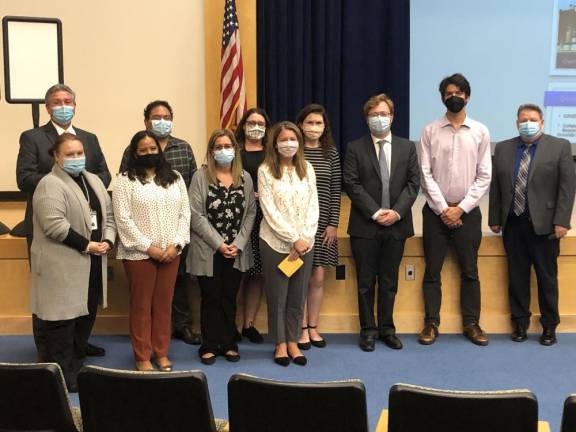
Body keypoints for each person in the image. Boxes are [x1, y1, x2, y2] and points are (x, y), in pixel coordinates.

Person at [17, 83, 111, 358]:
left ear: (75, 105)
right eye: (57, 102)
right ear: (48, 107)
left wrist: (87, 185)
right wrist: (63, 185)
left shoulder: (89, 138)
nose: (63, 106)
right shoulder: (32, 137)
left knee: (87, 289)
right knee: (52, 294)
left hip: (89, 227)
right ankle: (48, 349)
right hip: (51, 226)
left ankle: (79, 343)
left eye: (68, 100)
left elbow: (103, 173)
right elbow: (24, 178)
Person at [30, 133, 115, 392]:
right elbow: (55, 226)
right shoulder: (49, 184)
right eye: (69, 154)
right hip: (62, 264)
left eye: (80, 153)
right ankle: (62, 374)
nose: (77, 158)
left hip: (91, 262)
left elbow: (108, 214)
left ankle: (77, 359)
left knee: (86, 313)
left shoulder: (93, 180)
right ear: (56, 157)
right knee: (62, 323)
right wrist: (88, 245)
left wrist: (108, 241)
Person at [489, 104, 576, 346]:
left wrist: (561, 221)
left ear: (542, 122)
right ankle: (519, 324)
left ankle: (549, 327)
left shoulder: (559, 147)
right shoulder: (505, 148)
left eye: (533, 119)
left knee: (547, 278)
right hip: (513, 224)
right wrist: (494, 218)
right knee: (516, 278)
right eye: (524, 119)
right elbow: (496, 186)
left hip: (546, 226)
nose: (528, 123)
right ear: (517, 123)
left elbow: (567, 189)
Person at [418, 73, 492, 346]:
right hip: (435, 213)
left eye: (459, 93)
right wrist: (442, 208)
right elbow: (425, 174)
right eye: (449, 93)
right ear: (442, 98)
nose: (454, 97)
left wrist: (460, 209)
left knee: (470, 271)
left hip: (468, 213)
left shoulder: (481, 131)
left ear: (467, 96)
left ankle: (472, 324)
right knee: (431, 271)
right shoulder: (429, 131)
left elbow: (484, 175)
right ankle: (430, 324)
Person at [343, 94, 420, 352]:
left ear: (392, 116)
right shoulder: (355, 147)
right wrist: (376, 213)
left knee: (389, 281)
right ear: (367, 118)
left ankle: (387, 328)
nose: (379, 118)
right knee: (365, 282)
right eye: (374, 114)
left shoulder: (407, 147)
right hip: (365, 226)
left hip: (397, 225)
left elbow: (413, 184)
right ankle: (368, 330)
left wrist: (396, 213)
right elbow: (351, 184)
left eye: (384, 114)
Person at [120, 100, 200, 345]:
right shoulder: (130, 155)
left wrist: (178, 240)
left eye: (167, 116)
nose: (162, 121)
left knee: (179, 283)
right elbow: (125, 196)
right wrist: (149, 246)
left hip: (176, 232)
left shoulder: (183, 148)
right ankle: (145, 342)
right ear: (146, 121)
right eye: (157, 117)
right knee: (144, 299)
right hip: (143, 242)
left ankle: (181, 326)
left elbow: (193, 184)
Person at [114, 130, 191, 372]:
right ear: (134, 153)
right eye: (143, 150)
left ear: (160, 150)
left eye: (153, 149)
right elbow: (123, 220)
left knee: (163, 305)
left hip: (171, 253)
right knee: (141, 306)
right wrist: (149, 248)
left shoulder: (176, 177)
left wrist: (176, 244)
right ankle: (142, 355)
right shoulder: (125, 181)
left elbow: (184, 214)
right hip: (139, 254)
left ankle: (161, 352)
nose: (149, 153)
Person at [188, 129, 256, 365]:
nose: (224, 151)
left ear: (235, 150)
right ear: (211, 151)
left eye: (228, 146)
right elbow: (196, 215)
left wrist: (237, 244)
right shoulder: (200, 177)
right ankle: (209, 345)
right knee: (210, 298)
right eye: (219, 147)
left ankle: (228, 343)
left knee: (229, 297)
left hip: (236, 251)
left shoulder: (245, 178)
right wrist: (219, 244)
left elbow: (250, 214)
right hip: (208, 249)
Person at [258, 121, 319, 366]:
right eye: (283, 140)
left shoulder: (308, 169)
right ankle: (280, 344)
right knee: (278, 296)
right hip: (275, 243)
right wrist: (292, 238)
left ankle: (293, 341)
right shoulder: (265, 170)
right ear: (274, 143)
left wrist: (304, 237)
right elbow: (269, 210)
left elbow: (314, 206)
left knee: (297, 295)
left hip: (306, 243)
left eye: (293, 139)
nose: (288, 144)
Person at [295, 104, 341, 350]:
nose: (314, 127)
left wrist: (333, 224)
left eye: (319, 123)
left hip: (323, 226)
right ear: (301, 124)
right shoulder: (294, 151)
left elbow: (335, 190)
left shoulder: (330, 153)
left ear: (325, 127)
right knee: (299, 278)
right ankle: (301, 328)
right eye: (310, 122)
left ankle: (314, 326)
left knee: (318, 277)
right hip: (298, 227)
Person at [235, 108, 271, 344]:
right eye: (251, 122)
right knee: (237, 274)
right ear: (244, 125)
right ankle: (232, 324)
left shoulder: (271, 153)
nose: (256, 127)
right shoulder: (233, 151)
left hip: (265, 220)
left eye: (260, 123)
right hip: (237, 220)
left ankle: (248, 324)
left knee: (257, 274)